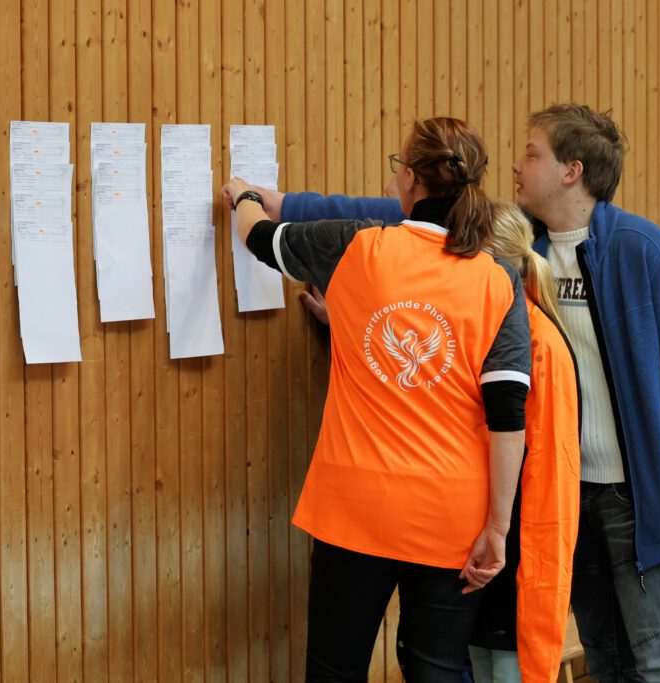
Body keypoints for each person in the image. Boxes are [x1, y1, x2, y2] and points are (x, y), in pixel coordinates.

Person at [221, 117, 532, 683]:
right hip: (452, 514)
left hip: (356, 509)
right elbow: (508, 416)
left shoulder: (357, 246)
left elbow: (260, 238)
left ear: (409, 178)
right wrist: (497, 527)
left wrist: (242, 195)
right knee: (438, 672)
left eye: (399, 167)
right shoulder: (497, 279)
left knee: (334, 672)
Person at [515, 103, 660, 682]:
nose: (517, 165)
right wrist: (290, 209)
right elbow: (412, 218)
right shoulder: (521, 252)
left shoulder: (642, 249)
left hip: (643, 498)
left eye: (531, 154)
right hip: (569, 496)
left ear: (571, 171)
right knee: (608, 663)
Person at [466, 202, 580, 683]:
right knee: (480, 660)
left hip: (516, 539)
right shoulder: (495, 326)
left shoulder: (537, 342)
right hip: (487, 532)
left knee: (506, 665)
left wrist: (500, 530)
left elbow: (543, 463)